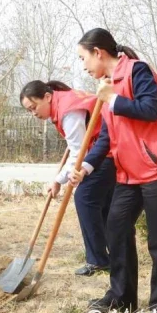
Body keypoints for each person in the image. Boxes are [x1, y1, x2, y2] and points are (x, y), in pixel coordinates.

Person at [68, 28, 157, 313]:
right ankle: (122, 297)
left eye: (83, 58)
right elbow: (108, 136)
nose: (83, 65)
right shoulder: (107, 85)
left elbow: (152, 110)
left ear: (99, 52)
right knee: (116, 227)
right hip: (130, 173)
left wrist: (113, 99)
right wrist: (85, 166)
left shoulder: (138, 71)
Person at [20, 80, 115, 276]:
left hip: (106, 152)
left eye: (34, 107)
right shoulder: (63, 101)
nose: (34, 113)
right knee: (101, 203)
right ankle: (112, 255)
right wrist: (57, 180)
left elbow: (77, 153)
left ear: (47, 97)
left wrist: (58, 180)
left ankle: (98, 260)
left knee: (85, 198)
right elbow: (77, 145)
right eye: (29, 111)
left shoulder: (68, 110)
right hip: (103, 149)